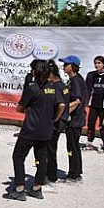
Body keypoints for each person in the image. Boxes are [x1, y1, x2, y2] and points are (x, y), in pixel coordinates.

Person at [3, 60, 65, 201]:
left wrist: (29, 109)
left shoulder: (32, 88)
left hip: (30, 128)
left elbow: (19, 108)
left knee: (18, 156)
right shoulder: (53, 88)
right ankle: (37, 188)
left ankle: (19, 189)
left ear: (36, 72)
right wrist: (54, 119)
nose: (31, 72)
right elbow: (61, 105)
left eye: (32, 69)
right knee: (41, 159)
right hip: (46, 129)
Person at [61, 55, 87, 183]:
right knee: (73, 146)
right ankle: (75, 172)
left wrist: (63, 114)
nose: (64, 66)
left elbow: (76, 101)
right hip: (74, 119)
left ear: (73, 66)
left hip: (75, 119)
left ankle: (74, 175)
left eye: (66, 64)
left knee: (72, 147)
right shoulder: (72, 80)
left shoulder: (76, 80)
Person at [45, 60, 69, 191]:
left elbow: (62, 105)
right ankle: (50, 175)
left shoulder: (56, 87)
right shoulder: (62, 85)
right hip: (62, 121)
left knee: (50, 150)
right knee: (51, 148)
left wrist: (55, 119)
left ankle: (51, 177)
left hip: (57, 123)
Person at [85, 55, 104, 151]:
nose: (97, 65)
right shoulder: (91, 75)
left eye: (99, 63)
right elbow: (88, 89)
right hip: (93, 104)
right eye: (95, 63)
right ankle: (90, 142)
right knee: (90, 123)